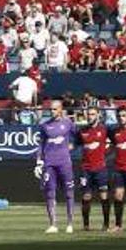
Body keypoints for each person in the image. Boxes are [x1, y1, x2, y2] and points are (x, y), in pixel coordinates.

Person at [35, 99, 76, 234]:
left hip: (64, 162)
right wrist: (38, 161)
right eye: (50, 109)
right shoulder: (45, 125)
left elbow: (77, 137)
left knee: (69, 192)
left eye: (54, 109)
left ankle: (70, 223)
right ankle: (53, 224)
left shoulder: (68, 123)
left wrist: (72, 146)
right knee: (50, 193)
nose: (52, 111)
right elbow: (40, 144)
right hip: (49, 163)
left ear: (60, 109)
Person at [78, 106, 111, 231]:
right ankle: (86, 225)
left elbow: (114, 143)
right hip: (86, 169)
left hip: (100, 169)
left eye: (92, 114)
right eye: (88, 114)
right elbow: (74, 144)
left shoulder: (104, 129)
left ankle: (106, 225)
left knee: (104, 196)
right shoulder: (82, 131)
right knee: (86, 197)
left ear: (98, 115)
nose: (90, 116)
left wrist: (106, 154)